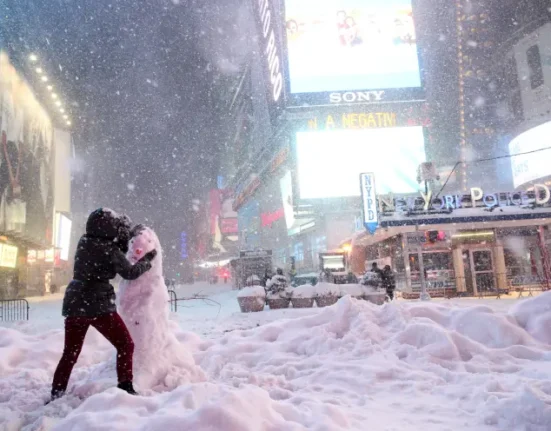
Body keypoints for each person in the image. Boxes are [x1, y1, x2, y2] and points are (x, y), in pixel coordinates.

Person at [50, 208, 157, 402]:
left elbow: (104, 257)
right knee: (125, 344)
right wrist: (147, 261)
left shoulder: (84, 242)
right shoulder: (110, 249)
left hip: (75, 302)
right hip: (98, 304)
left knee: (70, 353)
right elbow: (130, 272)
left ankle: (57, 392)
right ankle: (125, 387)